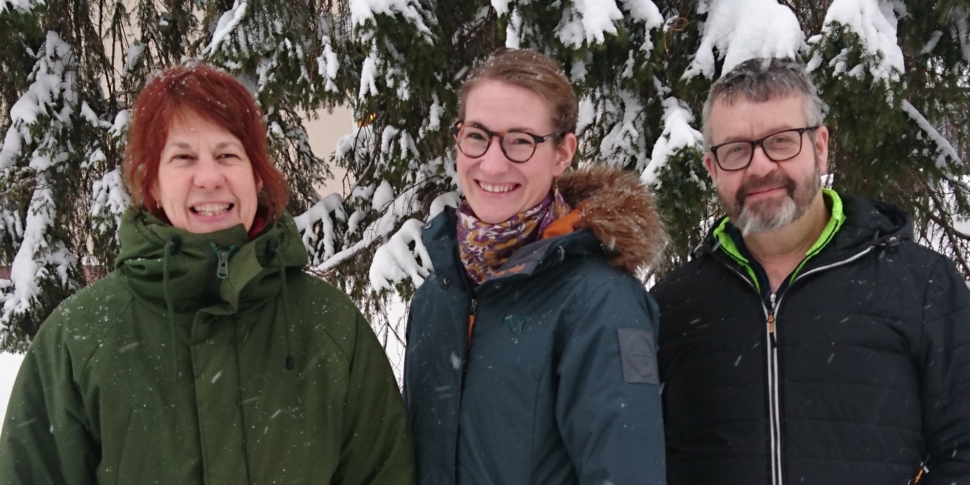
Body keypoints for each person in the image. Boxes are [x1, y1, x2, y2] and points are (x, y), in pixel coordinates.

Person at [0, 64, 416, 484]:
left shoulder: (330, 327)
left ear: (256, 177)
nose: (210, 178)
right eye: (183, 157)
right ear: (153, 182)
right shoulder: (80, 338)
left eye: (227, 155)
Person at [651, 57, 970, 485]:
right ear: (712, 168)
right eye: (736, 150)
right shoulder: (674, 306)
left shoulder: (921, 286)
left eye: (781, 141)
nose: (760, 167)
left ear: (820, 146)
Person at [403, 48, 667, 485]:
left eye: (521, 141)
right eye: (476, 136)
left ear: (562, 153)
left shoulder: (601, 303)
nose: (491, 162)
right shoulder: (437, 294)